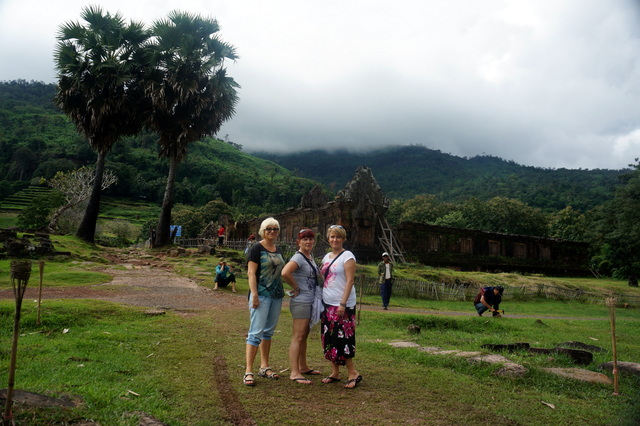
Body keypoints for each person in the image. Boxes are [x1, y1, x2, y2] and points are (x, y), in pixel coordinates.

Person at [243, 217, 285, 386]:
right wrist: (254, 295)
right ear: (263, 230)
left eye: (275, 229)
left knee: (268, 333)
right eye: (269, 229)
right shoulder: (256, 248)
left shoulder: (278, 249)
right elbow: (251, 273)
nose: (272, 231)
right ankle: (248, 371)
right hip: (261, 294)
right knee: (255, 333)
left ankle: (264, 366)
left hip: (276, 295)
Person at [319, 224, 362, 389]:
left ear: (343, 239)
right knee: (329, 337)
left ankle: (352, 372)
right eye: (332, 236)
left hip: (342, 304)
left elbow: (350, 281)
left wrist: (342, 303)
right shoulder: (326, 257)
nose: (335, 240)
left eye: (338, 237)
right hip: (327, 303)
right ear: (328, 238)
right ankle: (335, 372)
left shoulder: (348, 256)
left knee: (343, 338)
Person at [281, 228, 323, 385]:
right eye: (305, 239)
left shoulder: (309, 257)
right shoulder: (298, 257)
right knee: (298, 336)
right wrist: (296, 287)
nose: (308, 242)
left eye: (311, 239)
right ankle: (294, 372)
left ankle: (303, 367)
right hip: (301, 302)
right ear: (298, 242)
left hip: (310, 300)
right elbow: (285, 272)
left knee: (304, 335)